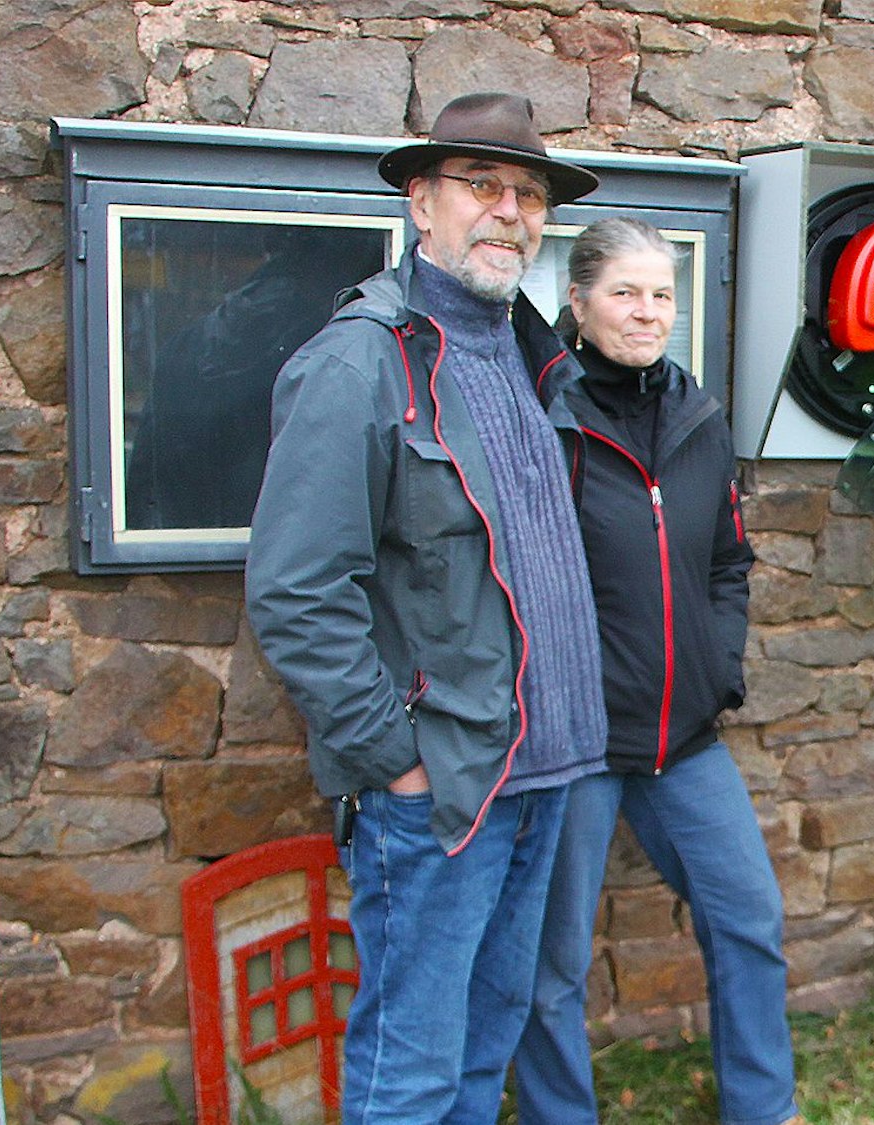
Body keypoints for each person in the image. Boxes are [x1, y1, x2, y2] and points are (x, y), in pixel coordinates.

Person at [244, 92, 609, 1124]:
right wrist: (394, 761)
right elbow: (297, 590)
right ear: (421, 202)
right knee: (406, 1075)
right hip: (444, 793)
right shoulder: (362, 359)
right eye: (482, 186)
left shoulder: (531, 353)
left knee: (480, 1055)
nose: (510, 212)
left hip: (546, 778)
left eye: (529, 194)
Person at [512, 218, 800, 1125]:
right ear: (579, 300)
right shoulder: (542, 413)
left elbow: (727, 561)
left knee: (749, 919)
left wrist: (719, 664)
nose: (647, 312)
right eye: (624, 292)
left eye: (662, 294)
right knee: (550, 963)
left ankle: (764, 1107)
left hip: (683, 735)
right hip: (577, 741)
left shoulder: (697, 416)